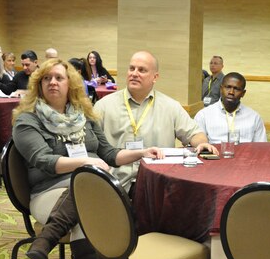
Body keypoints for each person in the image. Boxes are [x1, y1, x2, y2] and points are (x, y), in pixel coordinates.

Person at [12, 58, 163, 259]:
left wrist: (142, 152)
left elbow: (109, 154)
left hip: (91, 189)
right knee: (86, 201)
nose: (53, 82)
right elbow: (44, 160)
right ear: (39, 85)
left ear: (70, 83)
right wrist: (85, 164)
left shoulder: (84, 115)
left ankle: (48, 239)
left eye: (59, 77)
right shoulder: (27, 120)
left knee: (90, 197)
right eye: (46, 78)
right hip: (49, 192)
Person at [94, 51, 219, 192]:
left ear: (155, 77)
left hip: (157, 186)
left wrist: (202, 143)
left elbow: (195, 134)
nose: (134, 74)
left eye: (142, 70)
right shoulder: (103, 106)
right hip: (115, 185)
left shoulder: (170, 106)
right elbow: (91, 147)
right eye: (131, 68)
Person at [194, 72, 267, 144]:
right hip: (214, 155)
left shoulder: (254, 117)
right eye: (228, 87)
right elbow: (199, 146)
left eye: (236, 89)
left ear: (243, 93)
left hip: (246, 155)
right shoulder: (204, 115)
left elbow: (262, 148)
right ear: (221, 89)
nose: (231, 92)